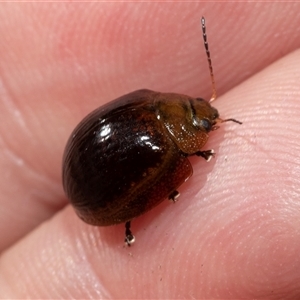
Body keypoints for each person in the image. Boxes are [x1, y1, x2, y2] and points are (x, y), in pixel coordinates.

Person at [1, 3, 300, 298]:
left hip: (81, 160)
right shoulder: (161, 145)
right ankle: (129, 221)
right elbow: (164, 181)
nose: (209, 119)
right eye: (206, 127)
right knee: (168, 174)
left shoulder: (148, 98)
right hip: (93, 193)